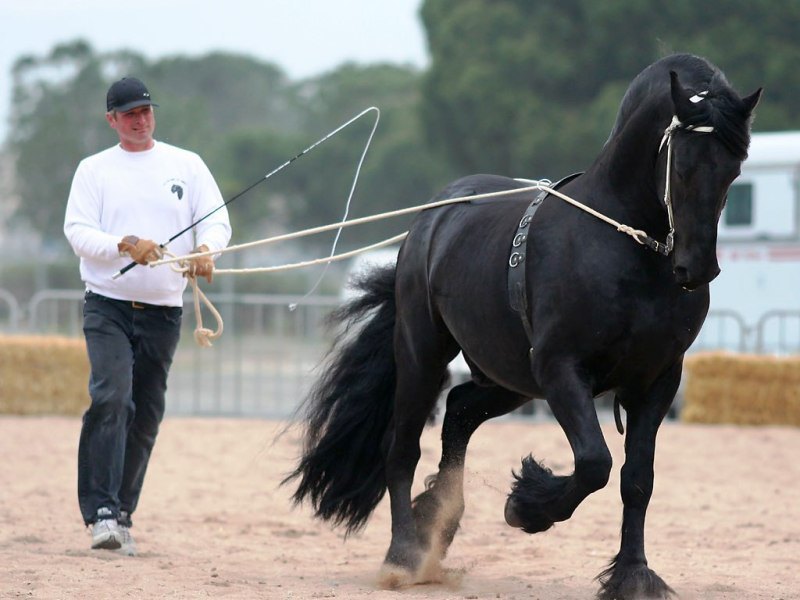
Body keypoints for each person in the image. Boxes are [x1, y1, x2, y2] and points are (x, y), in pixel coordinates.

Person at [64, 76, 231, 555]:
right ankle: (99, 512)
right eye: (130, 113)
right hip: (108, 306)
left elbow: (217, 218)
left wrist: (205, 249)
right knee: (112, 397)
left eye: (146, 111)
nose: (141, 119)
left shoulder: (187, 164)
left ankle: (122, 513)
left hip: (164, 310)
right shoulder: (94, 170)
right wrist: (124, 243)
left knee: (146, 412)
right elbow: (77, 230)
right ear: (112, 120)